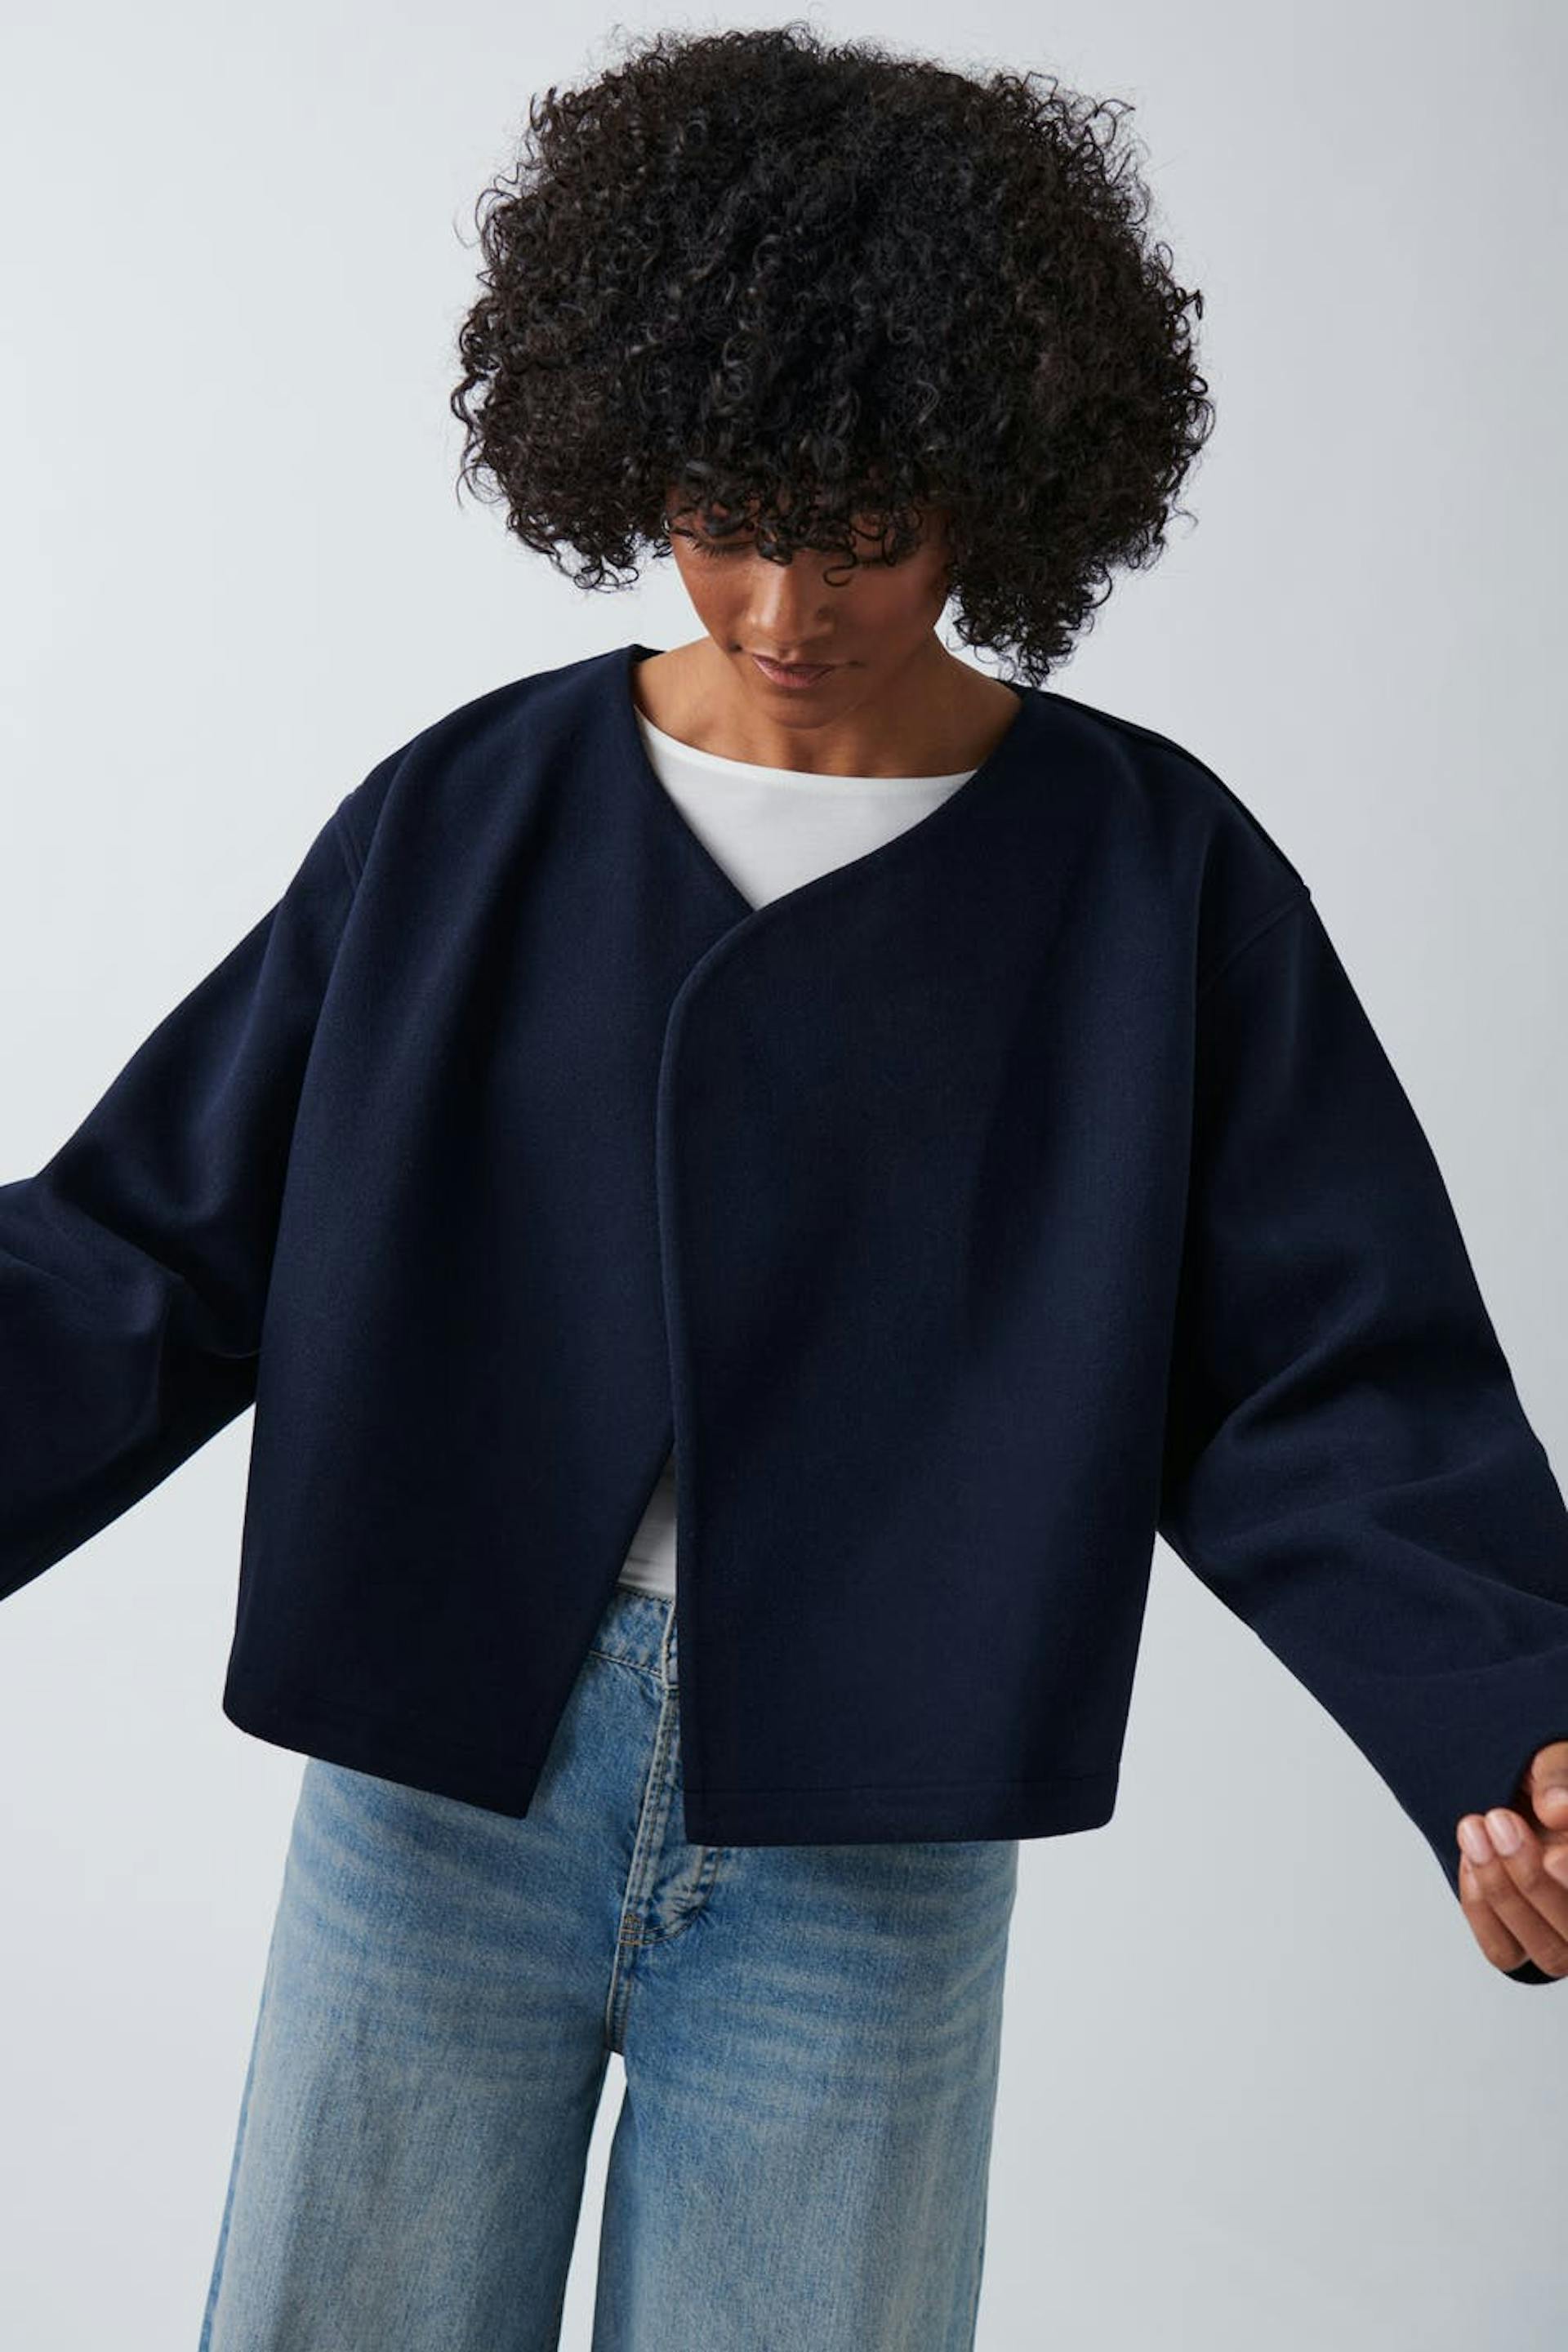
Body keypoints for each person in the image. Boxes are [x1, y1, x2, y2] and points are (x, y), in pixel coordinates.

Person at [2, 24, 1564, 2352]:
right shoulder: (471, 820)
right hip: (442, 1786)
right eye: (723, 515)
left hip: (872, 1827)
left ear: (1005, 486)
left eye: (869, 534)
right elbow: (149, 1247)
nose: (780, 607)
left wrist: (1506, 1725)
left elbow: (1328, 1376)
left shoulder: (1150, 880)